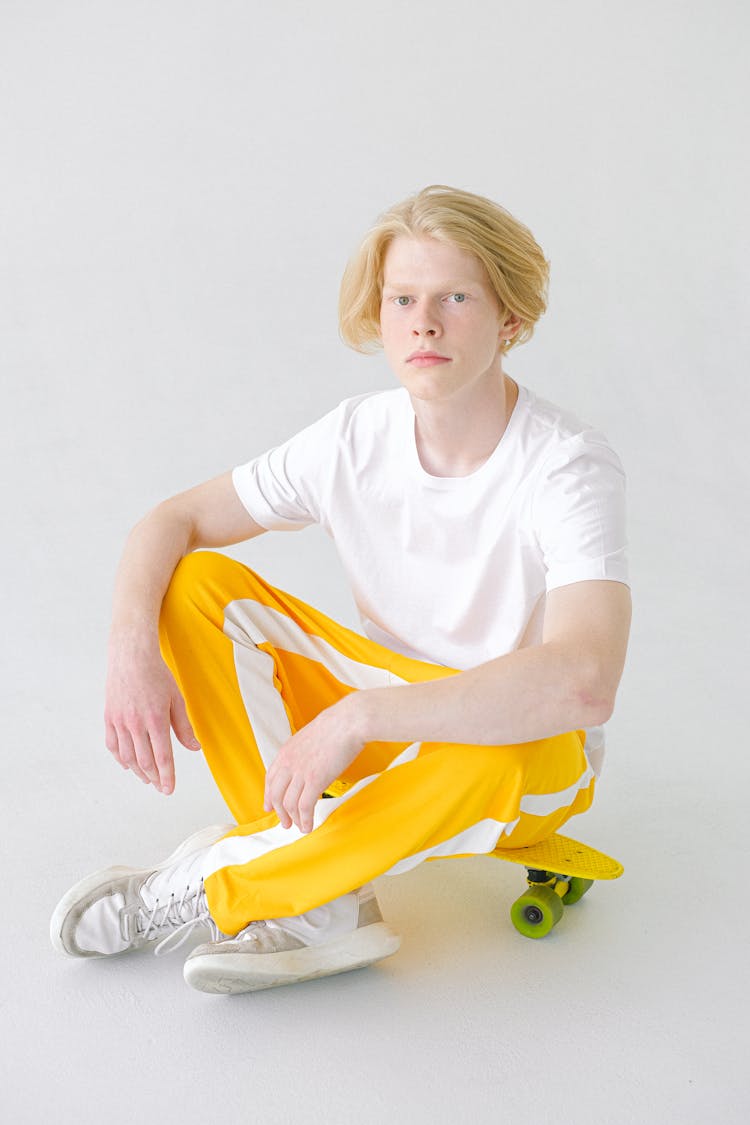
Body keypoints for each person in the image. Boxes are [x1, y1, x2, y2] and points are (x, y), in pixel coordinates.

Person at [50, 185, 631, 994]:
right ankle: (325, 904)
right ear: (382, 317)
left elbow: (583, 680)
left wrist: (358, 716)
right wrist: (130, 652)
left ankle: (222, 883)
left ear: (510, 320)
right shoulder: (354, 437)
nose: (424, 322)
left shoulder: (567, 463)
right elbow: (172, 520)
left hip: (521, 752)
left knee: (500, 749)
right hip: (386, 716)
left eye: (455, 297)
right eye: (403, 299)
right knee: (194, 582)